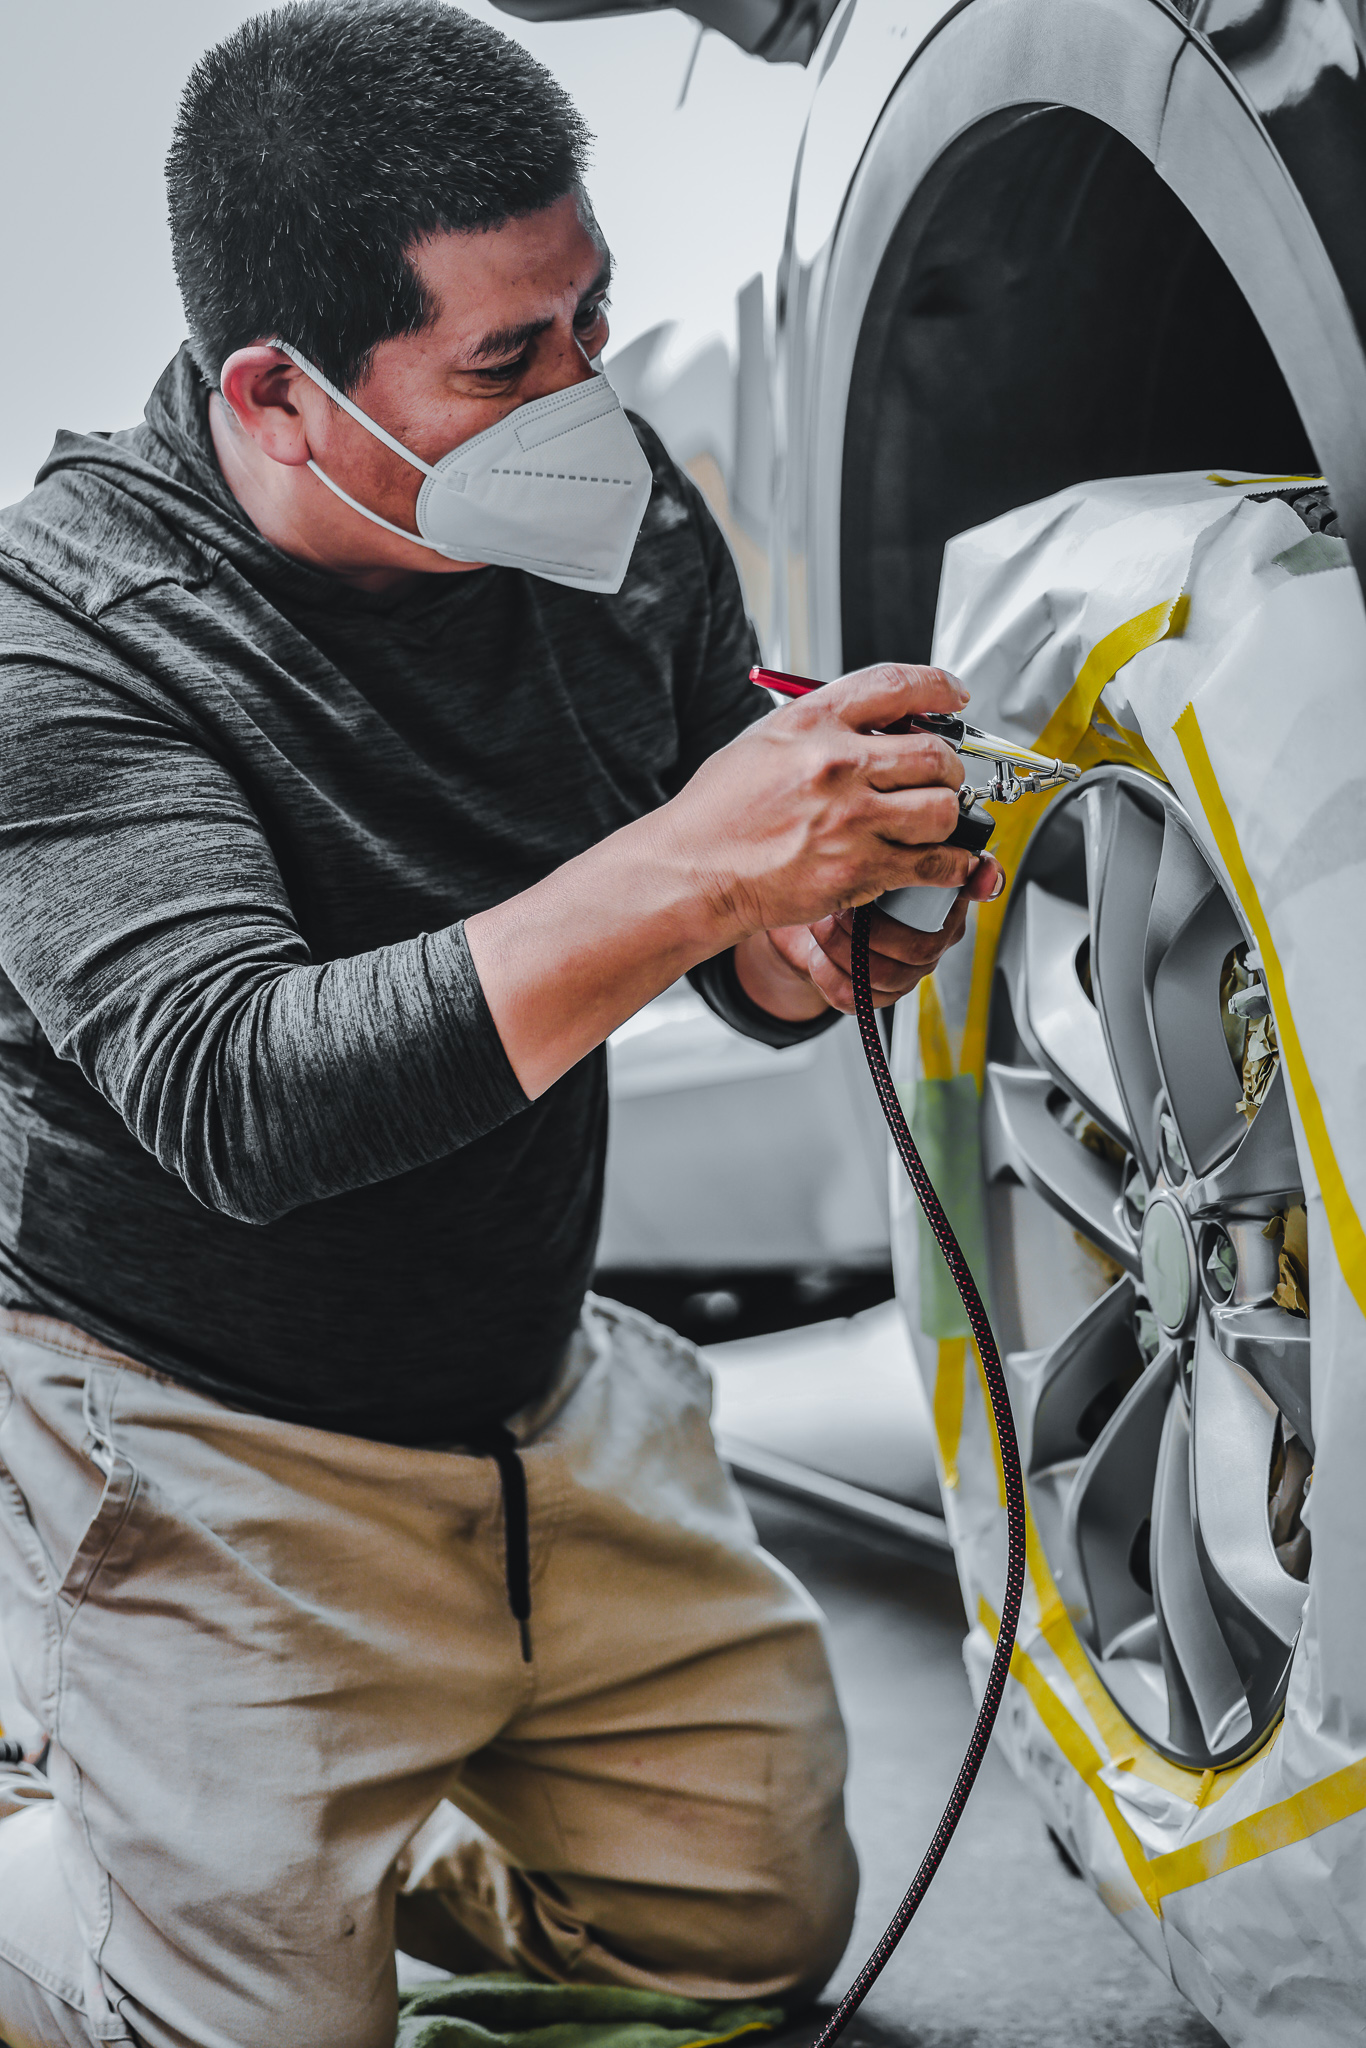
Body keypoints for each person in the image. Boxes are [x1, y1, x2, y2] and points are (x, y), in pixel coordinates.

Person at [0, 4, 1002, 2044]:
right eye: (503, 359)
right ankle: (74, 1856)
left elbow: (695, 838)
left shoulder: (600, 527)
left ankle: (313, 1845)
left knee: (748, 1931)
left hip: (537, 1389)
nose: (582, 396)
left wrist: (787, 943)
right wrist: (703, 879)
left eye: (589, 321)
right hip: (207, 1438)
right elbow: (240, 1093)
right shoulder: (69, 644)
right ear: (277, 394)